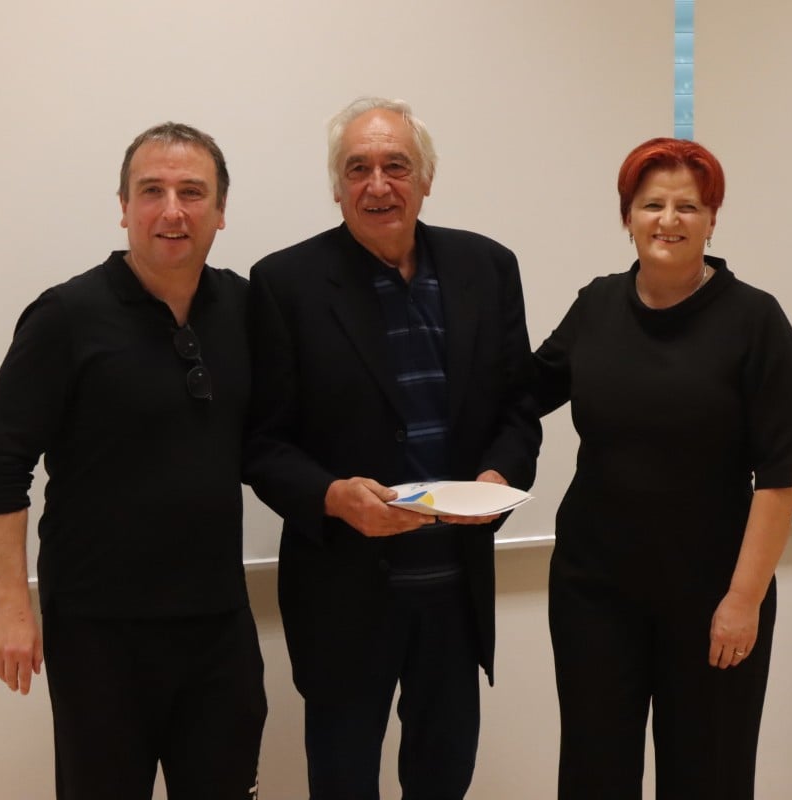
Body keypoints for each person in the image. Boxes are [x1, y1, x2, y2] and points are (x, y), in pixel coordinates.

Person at [244, 97, 541, 799]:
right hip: (343, 597)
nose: (378, 185)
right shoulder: (284, 284)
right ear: (337, 186)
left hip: (455, 591)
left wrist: (498, 476)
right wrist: (331, 497)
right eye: (358, 169)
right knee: (343, 782)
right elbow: (260, 443)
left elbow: (519, 408)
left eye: (396, 166)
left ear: (426, 178)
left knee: (445, 778)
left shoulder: (487, 267)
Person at [0, 123, 265, 800]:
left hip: (218, 624)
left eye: (192, 192)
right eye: (151, 191)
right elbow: (0, 462)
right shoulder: (66, 317)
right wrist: (11, 606)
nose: (172, 210)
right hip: (98, 633)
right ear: (124, 207)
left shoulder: (247, 309)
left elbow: (276, 440)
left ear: (221, 210)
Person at [532, 137, 792, 799]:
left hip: (715, 597)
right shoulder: (596, 305)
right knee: (594, 777)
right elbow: (520, 394)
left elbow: (780, 477)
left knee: (708, 777)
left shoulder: (755, 320)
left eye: (688, 206)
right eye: (652, 204)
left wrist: (742, 602)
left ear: (712, 220)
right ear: (627, 216)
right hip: (594, 593)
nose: (669, 219)